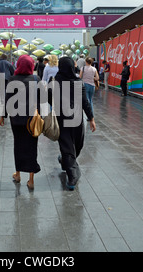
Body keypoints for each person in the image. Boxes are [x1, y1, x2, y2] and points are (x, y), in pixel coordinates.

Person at [48, 56, 96, 190]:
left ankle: (65, 161)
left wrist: (91, 118)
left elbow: (85, 102)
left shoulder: (76, 82)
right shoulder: (58, 82)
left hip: (73, 119)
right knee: (68, 148)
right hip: (67, 119)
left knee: (77, 145)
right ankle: (72, 176)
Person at [0, 55, 46, 190]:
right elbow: (43, 99)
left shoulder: (12, 80)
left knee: (18, 145)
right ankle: (31, 180)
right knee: (32, 146)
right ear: (31, 65)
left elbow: (7, 99)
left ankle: (18, 174)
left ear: (18, 65)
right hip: (32, 120)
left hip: (16, 120)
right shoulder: (36, 79)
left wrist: (3, 116)